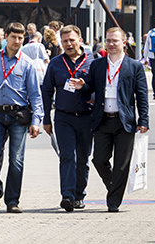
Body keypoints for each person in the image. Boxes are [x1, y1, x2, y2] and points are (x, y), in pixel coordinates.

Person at [71, 27, 149, 213]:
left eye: (115, 41)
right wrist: (83, 86)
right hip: (102, 119)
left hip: (125, 121)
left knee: (122, 164)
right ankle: (114, 184)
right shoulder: (98, 65)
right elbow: (89, 85)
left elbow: (142, 95)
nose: (111, 44)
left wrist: (143, 119)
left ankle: (113, 201)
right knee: (99, 159)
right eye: (108, 41)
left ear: (124, 43)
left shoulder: (134, 66)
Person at [0, 22, 43, 214]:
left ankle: (12, 200)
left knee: (17, 160)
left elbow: (36, 95)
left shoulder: (27, 63)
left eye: (21, 38)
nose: (17, 41)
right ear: (6, 38)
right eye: (14, 37)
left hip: (18, 116)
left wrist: (36, 121)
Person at [41, 25, 93, 212]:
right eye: (65, 41)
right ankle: (68, 196)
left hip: (87, 117)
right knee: (67, 156)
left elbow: (99, 89)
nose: (69, 44)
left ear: (80, 40)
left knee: (83, 158)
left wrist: (86, 88)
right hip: (63, 117)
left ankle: (80, 194)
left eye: (72, 40)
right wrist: (46, 118)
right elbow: (46, 91)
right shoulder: (55, 63)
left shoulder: (92, 62)